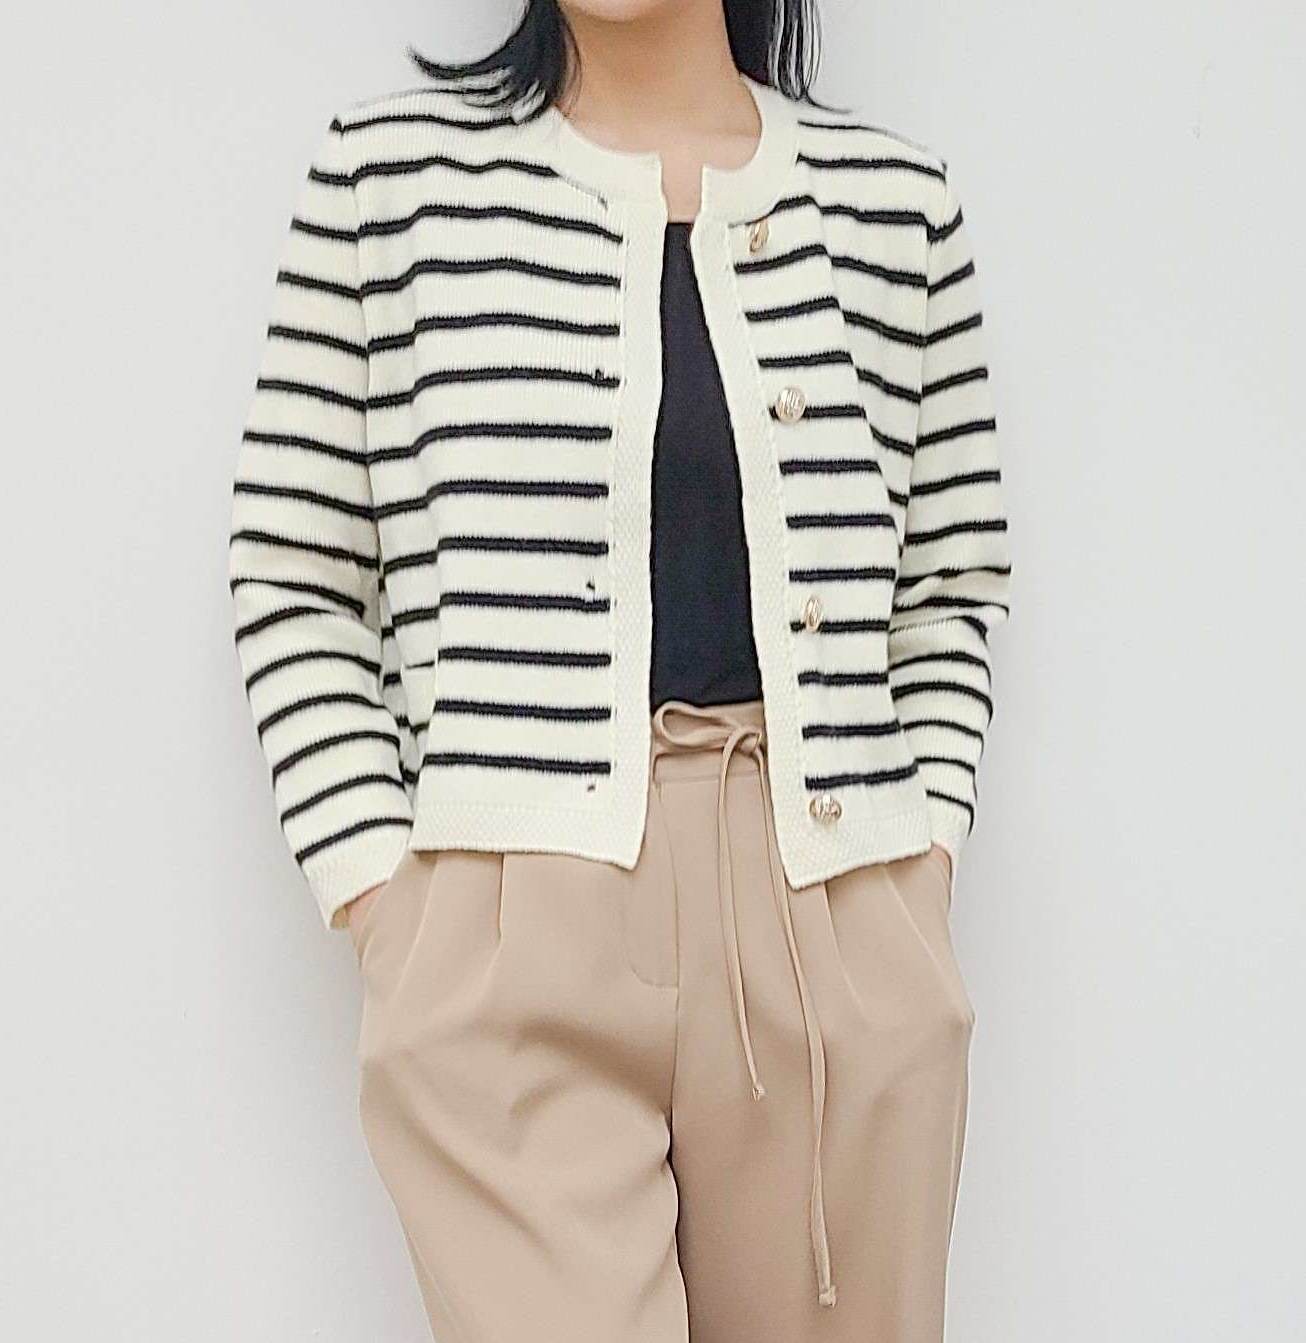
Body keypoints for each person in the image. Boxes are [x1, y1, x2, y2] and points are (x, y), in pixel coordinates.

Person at [227, 1, 1011, 1338]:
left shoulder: (896, 205)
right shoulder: (385, 182)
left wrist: (916, 874)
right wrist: (390, 905)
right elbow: (295, 574)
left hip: (829, 918)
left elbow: (950, 588)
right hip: (506, 931)